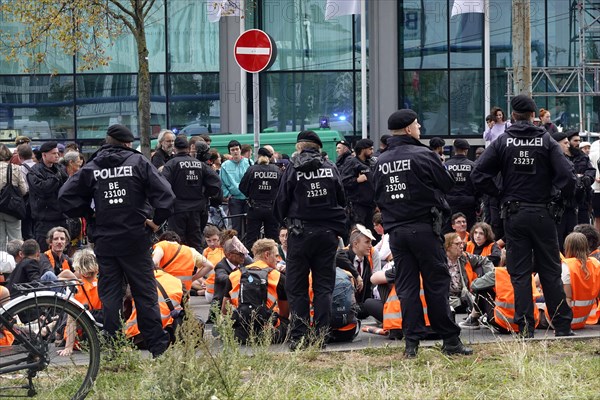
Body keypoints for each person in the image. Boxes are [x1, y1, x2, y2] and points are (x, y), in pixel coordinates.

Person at [58, 124, 175, 357]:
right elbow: (167, 196)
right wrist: (154, 220)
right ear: (127, 143)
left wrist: (90, 216)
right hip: (135, 239)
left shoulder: (92, 166)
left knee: (110, 294)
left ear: (107, 141)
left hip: (106, 241)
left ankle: (113, 346)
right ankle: (157, 347)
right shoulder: (139, 163)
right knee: (144, 293)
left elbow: (65, 197)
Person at [471, 94, 576, 338]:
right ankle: (562, 326)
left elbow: (478, 174)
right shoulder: (547, 141)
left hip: (515, 214)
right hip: (543, 213)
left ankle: (526, 328)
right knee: (550, 270)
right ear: (533, 116)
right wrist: (560, 198)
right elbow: (568, 176)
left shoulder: (502, 141)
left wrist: (499, 194)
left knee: (519, 273)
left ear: (513, 116)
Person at [373, 109, 472, 357]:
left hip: (396, 232)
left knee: (406, 287)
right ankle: (450, 341)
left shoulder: (381, 161)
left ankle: (411, 345)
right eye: (417, 125)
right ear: (408, 129)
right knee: (436, 285)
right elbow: (447, 183)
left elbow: (376, 195)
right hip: (424, 228)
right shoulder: (423, 154)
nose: (420, 129)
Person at [274, 130, 347, 350]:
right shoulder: (330, 167)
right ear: (317, 147)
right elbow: (342, 198)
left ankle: (298, 337)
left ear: (299, 147)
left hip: (300, 234)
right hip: (327, 235)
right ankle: (321, 337)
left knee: (297, 288)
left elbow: (280, 202)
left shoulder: (292, 169)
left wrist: (284, 221)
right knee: (323, 287)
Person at [222, 238, 289, 344]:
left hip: (239, 334)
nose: (278, 259)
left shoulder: (234, 275)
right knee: (286, 322)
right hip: (269, 334)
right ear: (267, 255)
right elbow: (285, 313)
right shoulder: (278, 277)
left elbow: (224, 311)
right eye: (276, 255)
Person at [161, 136, 222, 251]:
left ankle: (180, 267)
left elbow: (163, 185)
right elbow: (216, 182)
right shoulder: (199, 164)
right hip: (197, 209)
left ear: (175, 148)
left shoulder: (171, 164)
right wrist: (205, 195)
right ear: (189, 148)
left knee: (176, 243)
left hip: (177, 209)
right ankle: (197, 268)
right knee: (195, 241)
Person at [58, 249, 103, 357]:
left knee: (70, 313)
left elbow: (71, 320)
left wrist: (68, 347)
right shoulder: (104, 283)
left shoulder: (76, 286)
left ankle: (57, 333)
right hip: (100, 331)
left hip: (80, 337)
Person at [26, 141, 68, 252]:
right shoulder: (34, 172)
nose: (57, 155)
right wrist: (55, 178)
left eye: (58, 153)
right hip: (44, 219)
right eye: (54, 153)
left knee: (63, 251)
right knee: (44, 251)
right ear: (44, 155)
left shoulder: (59, 169)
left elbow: (68, 186)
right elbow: (43, 190)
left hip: (61, 216)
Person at [239, 147, 282, 249]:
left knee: (251, 238)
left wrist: (251, 194)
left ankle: (251, 261)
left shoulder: (252, 169)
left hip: (255, 207)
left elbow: (242, 187)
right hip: (272, 208)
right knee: (272, 239)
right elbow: (282, 189)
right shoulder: (276, 170)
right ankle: (273, 260)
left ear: (258, 156)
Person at [560, 232, 600, 330]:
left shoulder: (567, 266)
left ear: (567, 247)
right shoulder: (595, 264)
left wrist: (563, 327)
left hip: (566, 321)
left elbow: (567, 300)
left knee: (539, 299)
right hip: (582, 321)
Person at [342, 139, 377, 232]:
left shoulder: (371, 163)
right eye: (370, 149)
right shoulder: (352, 163)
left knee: (372, 231)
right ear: (362, 149)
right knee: (359, 231)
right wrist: (357, 180)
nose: (372, 152)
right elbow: (343, 181)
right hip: (357, 205)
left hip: (371, 205)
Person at [444, 139, 478, 233]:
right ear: (466, 150)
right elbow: (478, 185)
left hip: (450, 202)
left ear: (454, 149)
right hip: (468, 202)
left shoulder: (446, 165)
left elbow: (441, 184)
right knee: (469, 229)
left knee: (449, 230)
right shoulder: (472, 165)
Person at [220, 140, 251, 236]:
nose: (235, 152)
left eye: (237, 149)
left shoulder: (249, 162)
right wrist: (227, 195)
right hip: (234, 199)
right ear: (230, 152)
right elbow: (222, 182)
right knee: (235, 226)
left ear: (240, 150)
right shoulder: (225, 165)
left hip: (248, 199)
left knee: (249, 226)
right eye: (232, 150)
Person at [0, 144, 27, 245]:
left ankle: (2, 260)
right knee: (15, 240)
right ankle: (16, 260)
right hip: (12, 208)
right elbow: (24, 190)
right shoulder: (15, 169)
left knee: (0, 241)